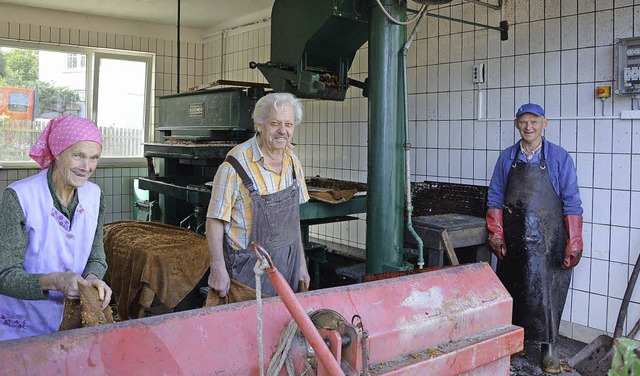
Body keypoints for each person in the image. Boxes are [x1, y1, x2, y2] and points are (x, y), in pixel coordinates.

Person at [486, 103, 583, 374]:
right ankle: (514, 345)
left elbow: (572, 201)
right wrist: (496, 233)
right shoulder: (507, 158)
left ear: (545, 123)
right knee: (514, 290)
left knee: (548, 293)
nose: (529, 127)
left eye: (534, 122)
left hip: (549, 238)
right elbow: (494, 197)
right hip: (515, 238)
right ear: (517, 124)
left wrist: (574, 239)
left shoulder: (559, 157)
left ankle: (549, 348)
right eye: (524, 122)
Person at [0, 115, 113, 341]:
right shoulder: (20, 197)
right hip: (24, 323)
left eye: (94, 158)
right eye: (78, 155)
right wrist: (53, 281)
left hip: (70, 321)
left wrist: (92, 279)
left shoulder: (95, 195)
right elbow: (4, 274)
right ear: (58, 153)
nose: (87, 167)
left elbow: (96, 256)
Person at [206, 92, 311, 298]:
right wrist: (217, 268)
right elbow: (215, 220)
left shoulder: (292, 162)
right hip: (248, 272)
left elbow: (293, 220)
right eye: (275, 123)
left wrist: (302, 264)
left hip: (288, 267)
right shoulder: (235, 165)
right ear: (260, 125)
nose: (283, 131)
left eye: (288, 124)